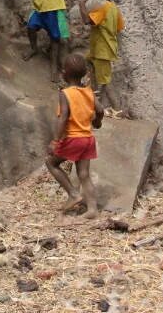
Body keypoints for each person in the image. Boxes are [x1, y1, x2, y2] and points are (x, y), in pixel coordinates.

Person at [45, 53, 100, 218]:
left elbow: (63, 117)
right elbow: (101, 110)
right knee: (84, 174)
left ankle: (74, 194)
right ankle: (92, 210)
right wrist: (98, 123)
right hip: (88, 139)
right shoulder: (89, 92)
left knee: (51, 163)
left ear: (64, 73)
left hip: (73, 138)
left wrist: (55, 140)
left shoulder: (65, 93)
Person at [81, 0, 124, 116]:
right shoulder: (114, 8)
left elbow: (87, 21)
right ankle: (89, 94)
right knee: (89, 66)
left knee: (104, 80)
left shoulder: (103, 7)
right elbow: (119, 27)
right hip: (101, 48)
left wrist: (82, 5)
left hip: (102, 50)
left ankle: (111, 108)